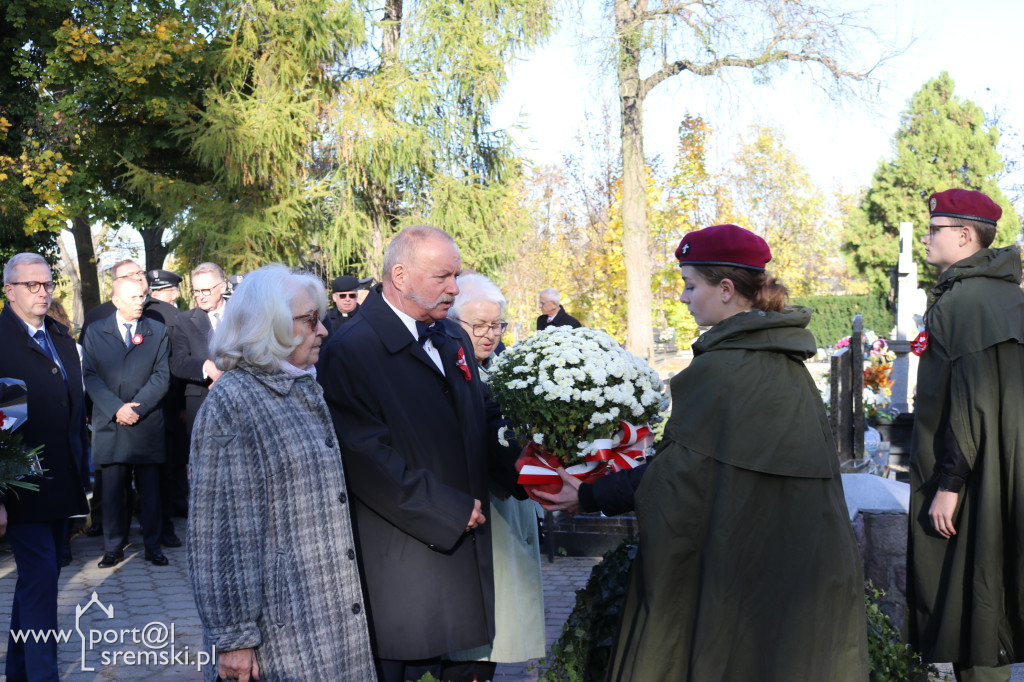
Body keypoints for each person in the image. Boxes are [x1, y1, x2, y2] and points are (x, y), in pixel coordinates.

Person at [536, 224, 868, 681]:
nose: (684, 297)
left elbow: (674, 477)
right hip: (797, 571)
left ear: (726, 289)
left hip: (735, 571)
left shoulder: (723, 367)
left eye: (691, 285)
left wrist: (589, 495)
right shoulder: (786, 361)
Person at [320, 225, 521, 682]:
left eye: (457, 275)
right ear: (400, 276)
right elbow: (367, 459)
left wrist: (530, 469)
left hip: (463, 545)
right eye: (443, 277)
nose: (456, 288)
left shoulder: (451, 336)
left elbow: (485, 416)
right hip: (406, 555)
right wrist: (447, 510)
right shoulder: (351, 349)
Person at [187, 264, 376, 682]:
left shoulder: (301, 385)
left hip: (325, 614)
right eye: (310, 320)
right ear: (267, 326)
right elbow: (218, 533)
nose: (322, 330)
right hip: (280, 629)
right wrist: (233, 638)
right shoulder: (233, 402)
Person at [906, 189, 1024, 682]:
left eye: (935, 229)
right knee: (987, 592)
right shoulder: (1005, 296)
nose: (926, 238)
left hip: (972, 472)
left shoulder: (966, 301)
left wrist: (950, 485)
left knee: (970, 600)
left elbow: (970, 398)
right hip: (998, 462)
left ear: (964, 235)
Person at [447, 273, 545, 677]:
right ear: (453, 323)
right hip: (483, 513)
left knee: (500, 634)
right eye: (480, 325)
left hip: (513, 507)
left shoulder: (505, 368)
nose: (490, 335)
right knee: (479, 643)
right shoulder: (450, 373)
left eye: (497, 325)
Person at [0, 253, 90, 681]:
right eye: (31, 285)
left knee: (38, 580)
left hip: (60, 481)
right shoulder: (2, 342)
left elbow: (72, 411)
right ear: (9, 291)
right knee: (40, 580)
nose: (42, 292)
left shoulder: (58, 335)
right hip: (20, 487)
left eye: (47, 284)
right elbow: (5, 426)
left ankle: (19, 672)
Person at [82, 277, 171, 568]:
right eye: (133, 297)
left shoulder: (156, 330)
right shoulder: (96, 331)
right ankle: (113, 548)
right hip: (111, 423)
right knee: (111, 492)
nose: (140, 302)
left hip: (146, 423)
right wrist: (116, 409)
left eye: (142, 296)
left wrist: (137, 408)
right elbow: (89, 375)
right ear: (116, 301)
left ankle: (153, 547)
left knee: (150, 491)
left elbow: (161, 376)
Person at [170, 262, 228, 439]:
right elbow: (177, 362)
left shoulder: (243, 316)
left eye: (206, 290)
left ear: (222, 287)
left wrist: (226, 377)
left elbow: (255, 355)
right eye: (196, 291)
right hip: (202, 402)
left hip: (240, 400)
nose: (201, 296)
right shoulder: (184, 320)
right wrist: (206, 367)